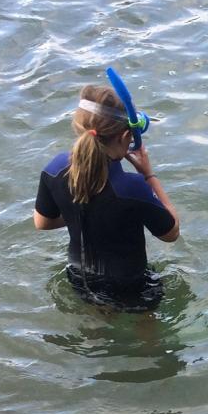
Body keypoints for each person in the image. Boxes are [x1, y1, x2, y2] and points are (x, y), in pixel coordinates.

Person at [34, 85, 180, 311]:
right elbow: (171, 234)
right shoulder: (132, 188)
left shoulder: (54, 169)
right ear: (125, 136)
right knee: (147, 337)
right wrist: (149, 176)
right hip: (130, 284)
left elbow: (42, 223)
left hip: (79, 276)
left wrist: (80, 209)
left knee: (97, 329)